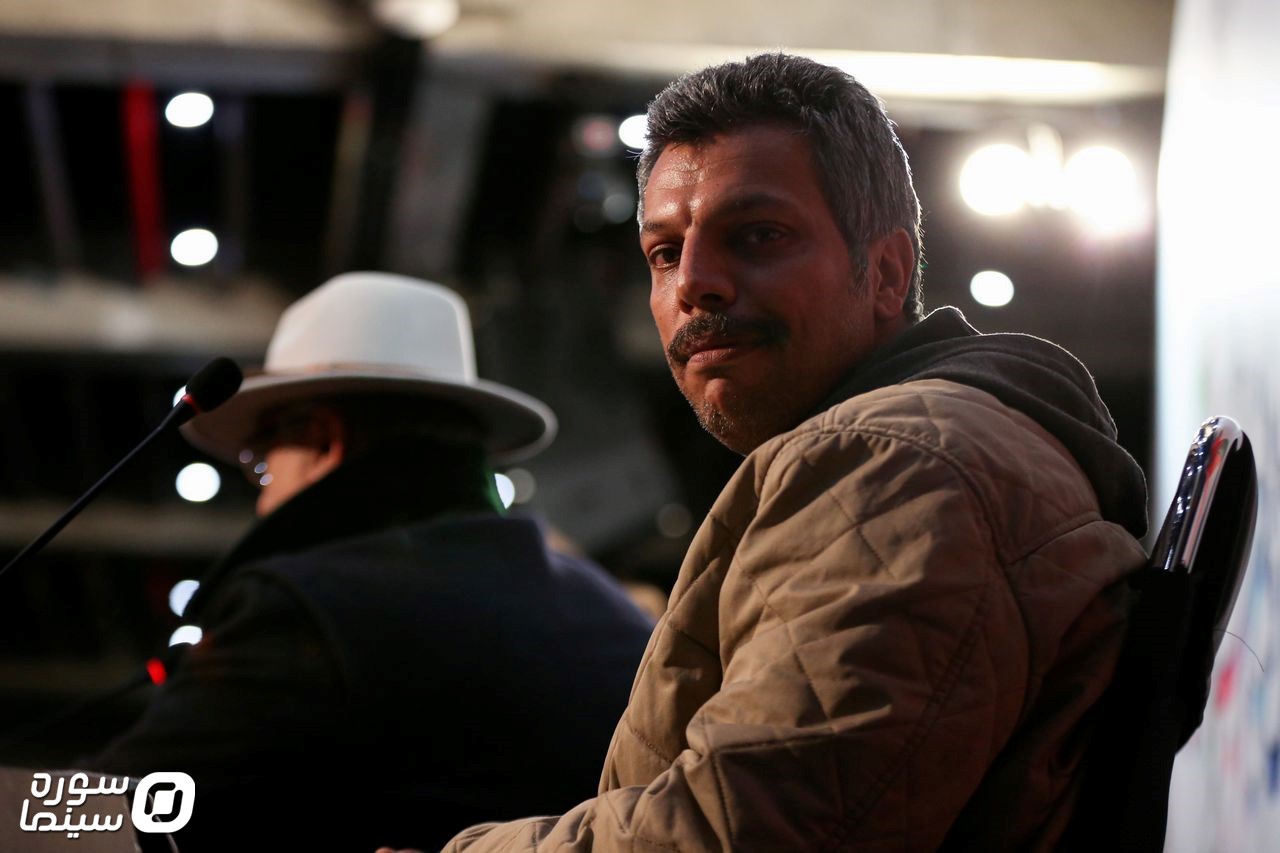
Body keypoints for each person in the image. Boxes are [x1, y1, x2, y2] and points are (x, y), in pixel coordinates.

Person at [439, 52, 1149, 851]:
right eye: (664, 252)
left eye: (758, 235)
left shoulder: (895, 463)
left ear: (886, 273)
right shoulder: (932, 446)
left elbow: (744, 832)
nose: (694, 283)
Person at [86, 272, 655, 851]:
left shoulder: (308, 608)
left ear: (321, 441)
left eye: (261, 464)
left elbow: (109, 815)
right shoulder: (611, 609)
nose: (261, 499)